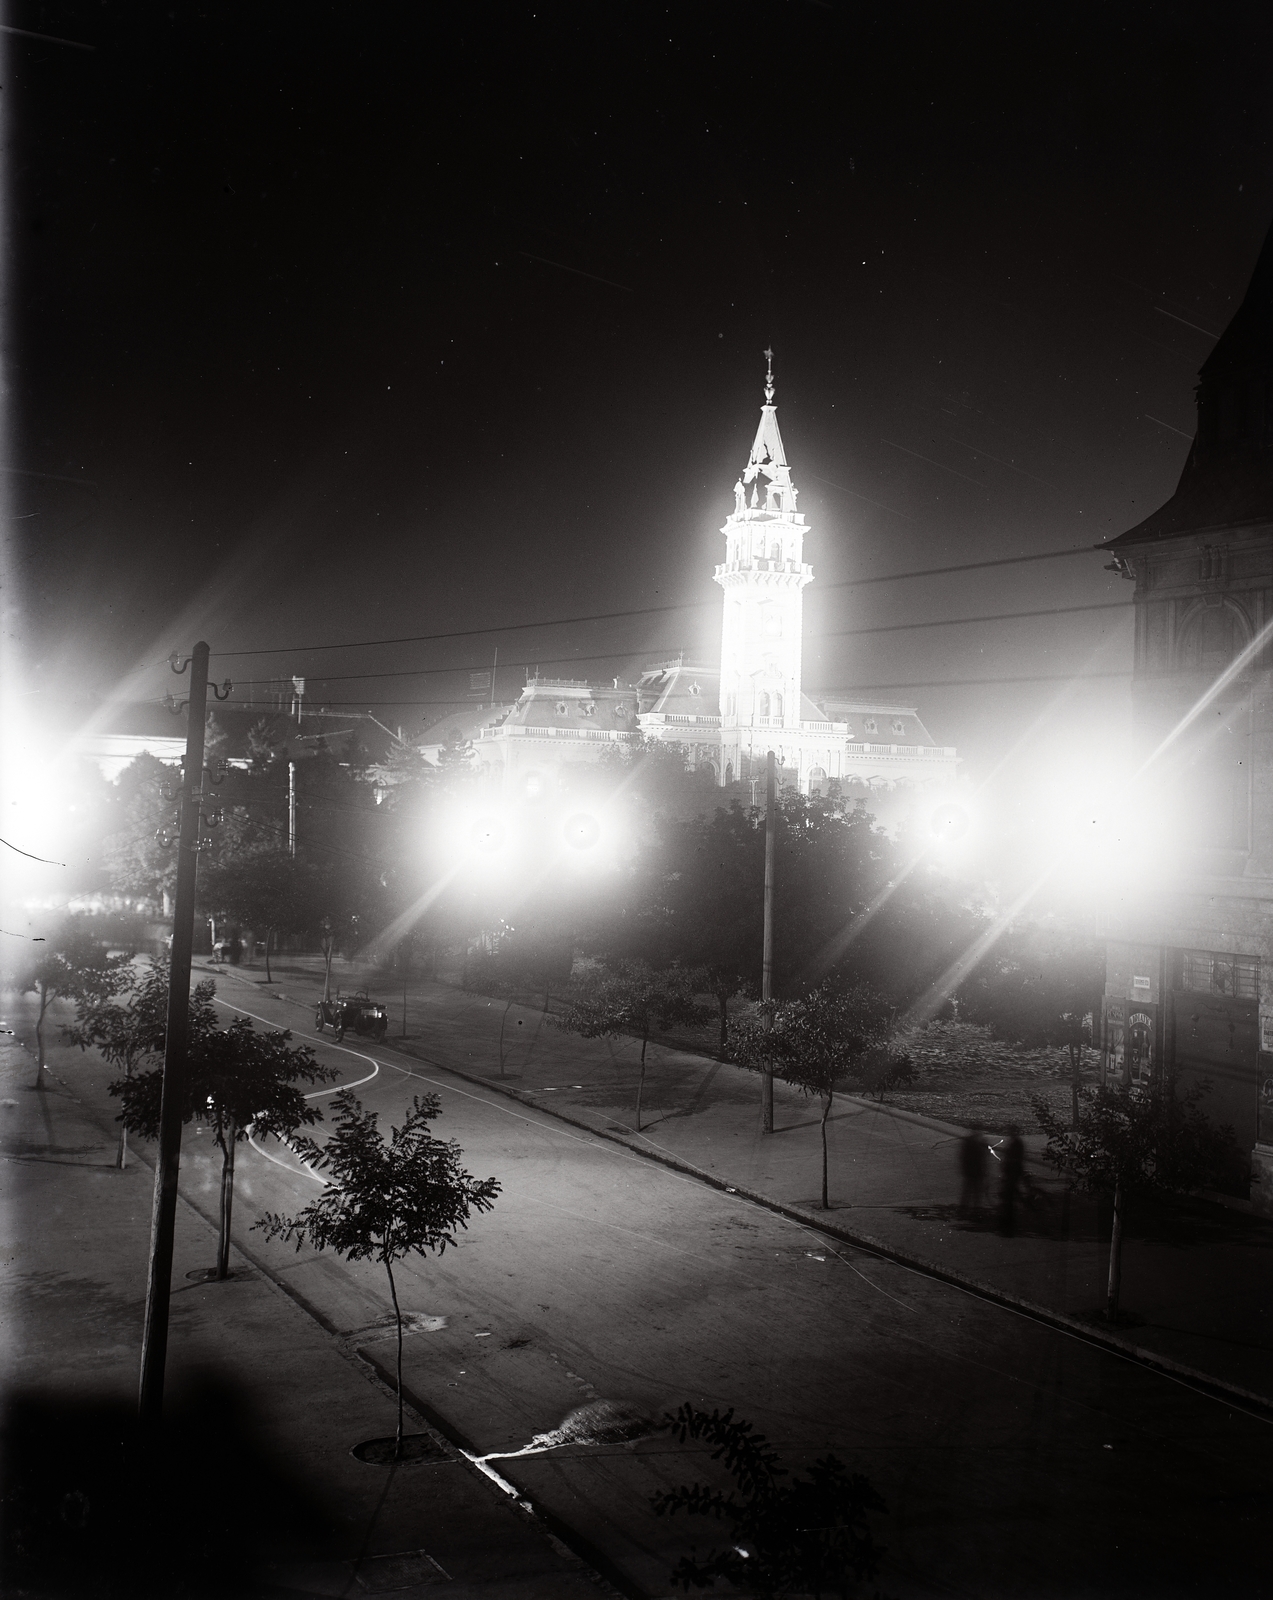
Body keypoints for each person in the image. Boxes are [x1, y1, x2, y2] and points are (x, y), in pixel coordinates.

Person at [997, 1124, 1026, 1237]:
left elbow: (1014, 1157)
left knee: (1009, 1195)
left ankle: (1008, 1221)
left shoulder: (1016, 1143)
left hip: (1013, 1171)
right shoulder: (1016, 1142)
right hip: (1012, 1171)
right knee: (1011, 1193)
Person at [958, 1124, 988, 1217]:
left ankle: (964, 1210)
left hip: (971, 1170)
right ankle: (974, 1211)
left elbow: (963, 1156)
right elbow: (983, 1157)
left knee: (969, 1191)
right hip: (976, 1170)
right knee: (975, 1192)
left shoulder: (969, 1141)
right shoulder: (979, 1141)